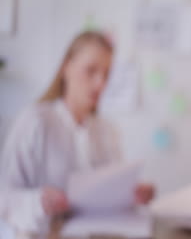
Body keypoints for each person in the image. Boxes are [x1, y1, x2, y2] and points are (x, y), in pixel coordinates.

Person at [0, 31, 154, 235]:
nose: (100, 83)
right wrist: (37, 202)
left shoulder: (107, 131)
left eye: (106, 74)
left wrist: (131, 195)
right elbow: (4, 197)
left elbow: (110, 196)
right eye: (91, 71)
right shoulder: (35, 121)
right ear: (67, 67)